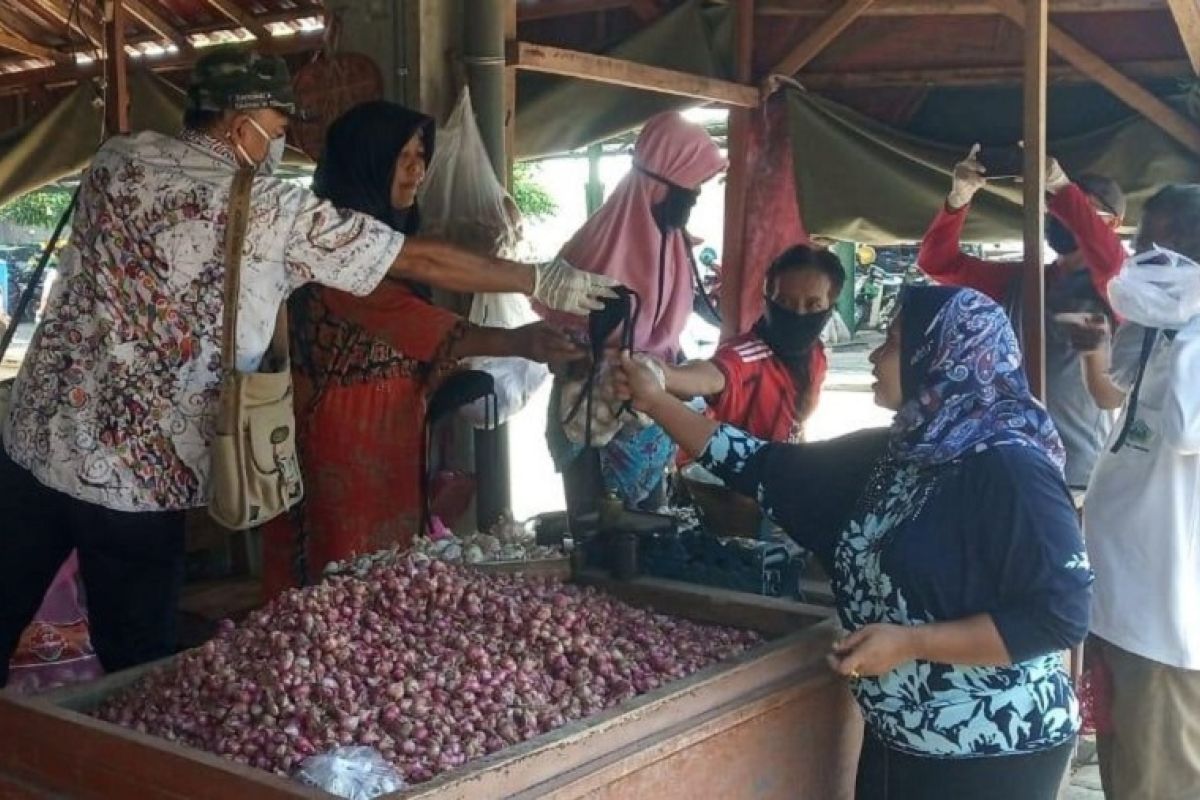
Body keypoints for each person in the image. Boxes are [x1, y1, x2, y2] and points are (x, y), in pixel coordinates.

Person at [0, 47, 616, 686]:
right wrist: (538, 276)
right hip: (134, 477)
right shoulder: (271, 210)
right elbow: (417, 262)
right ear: (242, 124)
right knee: (136, 668)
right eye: (277, 127)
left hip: (34, 439)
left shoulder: (115, 159)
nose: (279, 142)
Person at [614, 285, 1092, 799]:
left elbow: (1060, 615)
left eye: (891, 341)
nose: (874, 354)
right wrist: (656, 400)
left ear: (937, 354)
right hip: (901, 734)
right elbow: (759, 464)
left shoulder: (1010, 466)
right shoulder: (902, 453)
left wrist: (911, 643)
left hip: (990, 749)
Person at [261, 101, 579, 595]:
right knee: (343, 568)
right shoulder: (333, 245)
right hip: (340, 431)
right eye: (402, 156)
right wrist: (517, 340)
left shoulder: (391, 240)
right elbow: (402, 319)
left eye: (420, 153)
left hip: (389, 425)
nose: (417, 169)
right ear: (366, 162)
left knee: (390, 565)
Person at [539, 111, 726, 520]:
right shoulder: (595, 247)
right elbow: (556, 327)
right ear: (662, 180)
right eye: (691, 184)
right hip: (591, 420)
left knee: (648, 532)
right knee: (595, 536)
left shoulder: (674, 244)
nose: (694, 195)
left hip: (649, 418)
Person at [1075, 184, 1200, 800]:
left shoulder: (1190, 336)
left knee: (1162, 779)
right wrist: (1098, 349)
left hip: (1168, 618)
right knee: (1124, 775)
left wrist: (1189, 323)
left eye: (1158, 244)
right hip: (1119, 598)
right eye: (1140, 242)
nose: (1141, 256)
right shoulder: (1156, 329)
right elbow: (1117, 400)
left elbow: (1185, 428)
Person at [918, 146, 1127, 492]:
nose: (1063, 215)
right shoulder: (1024, 281)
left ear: (1114, 224)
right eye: (1055, 207)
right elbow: (938, 264)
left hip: (1075, 472)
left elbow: (1109, 258)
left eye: (1082, 207)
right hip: (1013, 457)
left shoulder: (1116, 289)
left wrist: (1062, 189)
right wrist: (958, 200)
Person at [659, 243, 844, 443]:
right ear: (767, 301)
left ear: (829, 308)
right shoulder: (747, 357)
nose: (798, 314)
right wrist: (664, 375)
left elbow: (796, 424)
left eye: (813, 305)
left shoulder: (816, 355)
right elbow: (714, 374)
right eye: (785, 302)